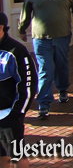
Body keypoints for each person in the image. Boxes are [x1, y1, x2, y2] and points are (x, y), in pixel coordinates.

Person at [18, 0, 73, 119]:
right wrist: (22, 28)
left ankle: (62, 90)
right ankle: (44, 104)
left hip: (62, 35)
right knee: (46, 70)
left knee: (61, 65)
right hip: (41, 38)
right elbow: (26, 9)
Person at [0, 12, 36, 168]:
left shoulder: (17, 51)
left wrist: (16, 113)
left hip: (9, 113)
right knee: (2, 154)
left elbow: (28, 86)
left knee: (16, 155)